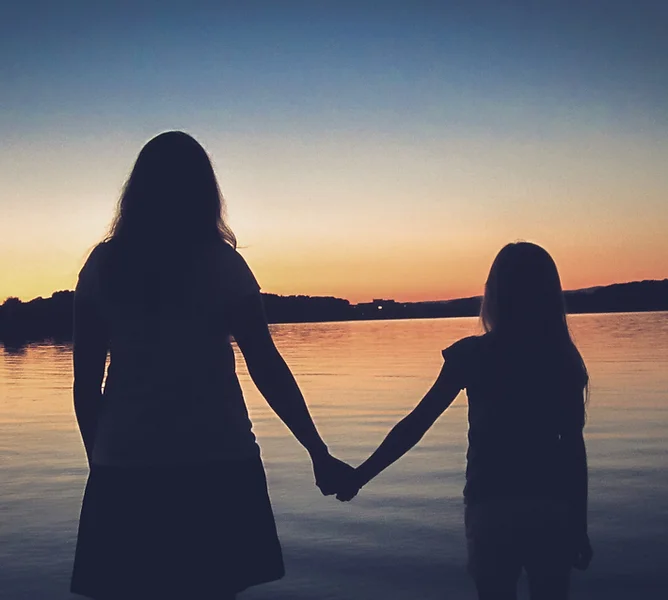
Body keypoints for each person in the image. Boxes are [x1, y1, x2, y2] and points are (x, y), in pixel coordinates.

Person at [70, 131, 353, 600]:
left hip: (127, 463)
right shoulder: (221, 264)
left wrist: (100, 465)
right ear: (205, 192)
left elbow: (85, 387)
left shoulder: (104, 266)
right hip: (219, 460)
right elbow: (266, 366)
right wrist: (317, 451)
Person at [336, 242, 593, 600]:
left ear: (495, 293)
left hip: (493, 507)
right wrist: (579, 526)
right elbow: (573, 450)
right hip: (551, 507)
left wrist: (360, 475)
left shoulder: (473, 355)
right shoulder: (561, 360)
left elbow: (416, 423)